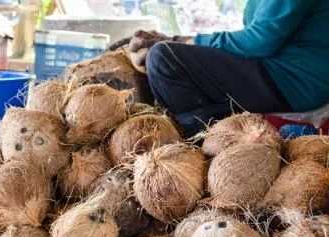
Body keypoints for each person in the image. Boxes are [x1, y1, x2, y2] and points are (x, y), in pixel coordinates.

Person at [130, 0, 329, 137]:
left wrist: (180, 42)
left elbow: (260, 41)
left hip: (296, 81)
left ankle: (209, 147)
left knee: (164, 59)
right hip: (283, 74)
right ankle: (223, 142)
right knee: (169, 57)